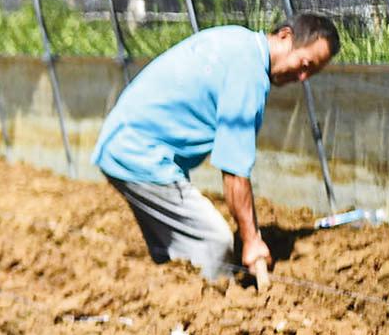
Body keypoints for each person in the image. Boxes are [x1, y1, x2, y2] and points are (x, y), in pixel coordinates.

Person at [95, 14, 339, 281]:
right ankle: (210, 302)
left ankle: (169, 294)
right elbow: (234, 171)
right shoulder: (249, 74)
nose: (303, 77)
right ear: (285, 36)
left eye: (311, 73)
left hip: (122, 143)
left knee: (174, 254)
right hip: (140, 153)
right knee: (214, 242)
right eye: (305, 64)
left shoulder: (238, 42)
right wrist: (251, 240)